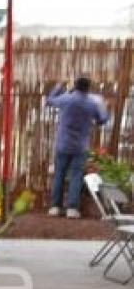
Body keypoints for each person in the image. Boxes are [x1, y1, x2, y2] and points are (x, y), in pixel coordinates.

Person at [46, 76, 109, 219]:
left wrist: (58, 87)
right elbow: (102, 120)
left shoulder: (66, 99)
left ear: (75, 86)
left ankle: (55, 207)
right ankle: (72, 209)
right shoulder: (92, 103)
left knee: (59, 175)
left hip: (63, 143)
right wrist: (103, 105)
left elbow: (49, 101)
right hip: (80, 145)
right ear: (88, 88)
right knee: (76, 176)